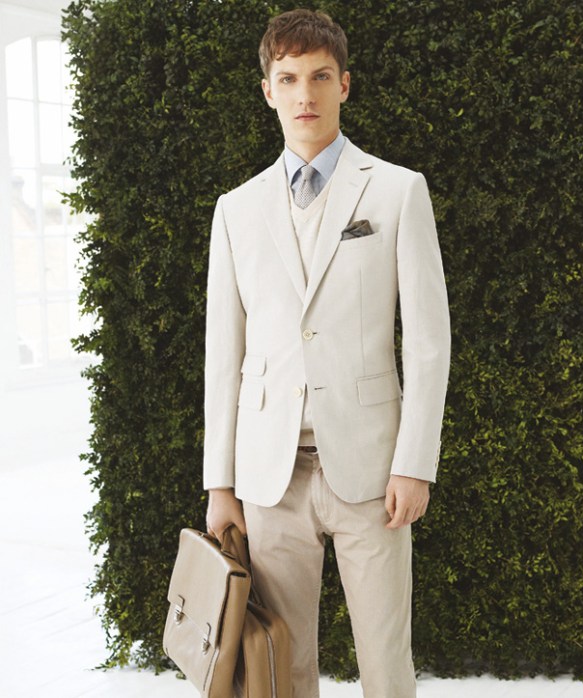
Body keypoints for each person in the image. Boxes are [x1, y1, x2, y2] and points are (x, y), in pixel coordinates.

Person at [203, 8, 451, 697]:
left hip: (372, 469)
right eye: (288, 79)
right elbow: (223, 357)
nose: (304, 94)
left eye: (319, 77)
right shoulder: (236, 209)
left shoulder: (397, 191)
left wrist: (415, 463)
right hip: (269, 476)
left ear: (344, 85)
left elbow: (428, 343)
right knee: (282, 669)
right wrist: (220, 484)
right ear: (268, 91)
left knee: (386, 663)